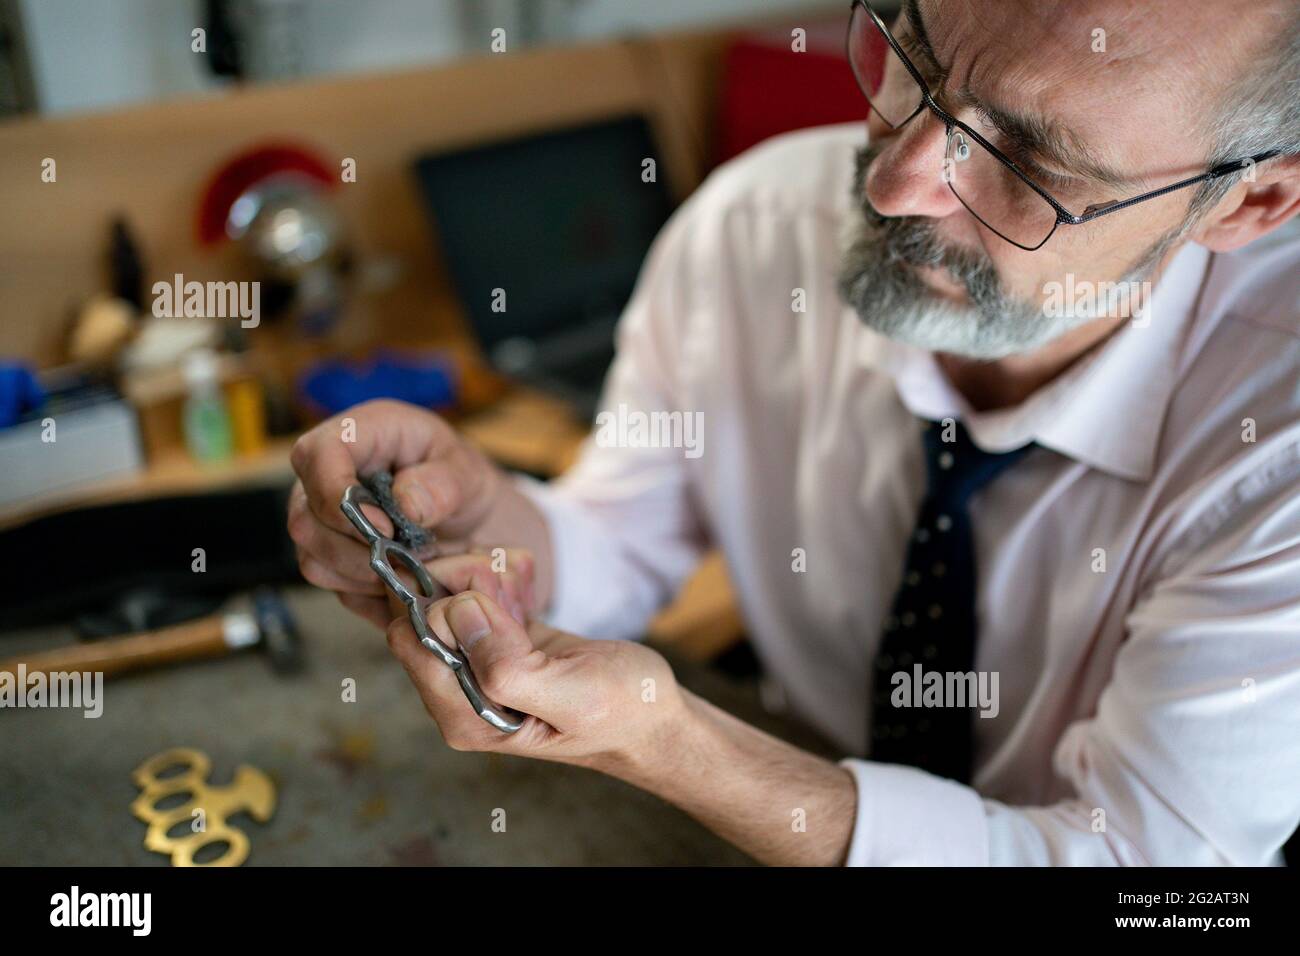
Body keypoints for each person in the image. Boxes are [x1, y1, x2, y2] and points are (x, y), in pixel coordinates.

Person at [288, 0, 1300, 865]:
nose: (893, 183)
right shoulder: (756, 227)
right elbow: (622, 535)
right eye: (913, 59)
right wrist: (490, 523)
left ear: (1248, 201)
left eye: (1031, 159)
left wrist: (676, 746)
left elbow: (1150, 879)